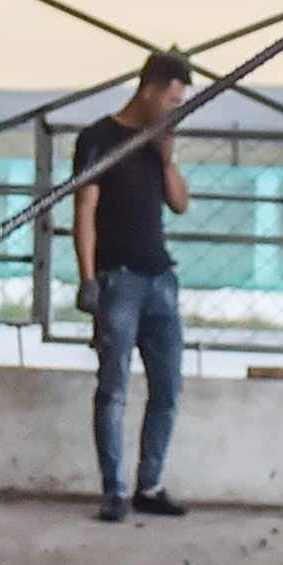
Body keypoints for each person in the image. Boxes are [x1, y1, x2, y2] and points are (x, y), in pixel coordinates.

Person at [70, 49, 197, 522]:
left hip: (160, 277)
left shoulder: (157, 143)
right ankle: (114, 491)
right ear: (148, 91)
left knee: (167, 388)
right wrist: (88, 279)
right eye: (171, 99)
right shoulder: (100, 139)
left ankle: (151, 484)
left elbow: (182, 204)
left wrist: (167, 159)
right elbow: (84, 210)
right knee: (114, 388)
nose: (174, 109)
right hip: (118, 279)